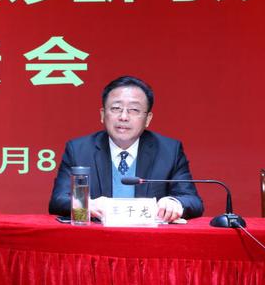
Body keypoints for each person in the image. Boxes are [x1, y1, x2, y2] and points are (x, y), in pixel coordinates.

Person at [48, 75, 203, 222]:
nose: (123, 117)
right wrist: (87, 204)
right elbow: (58, 200)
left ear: (148, 119)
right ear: (102, 114)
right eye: (116, 108)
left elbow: (192, 200)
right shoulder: (79, 150)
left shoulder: (169, 151)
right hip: (98, 236)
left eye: (134, 110)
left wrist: (174, 203)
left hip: (149, 237)